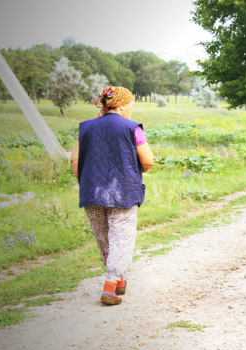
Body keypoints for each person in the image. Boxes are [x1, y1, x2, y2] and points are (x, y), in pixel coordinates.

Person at [70, 86, 154, 305]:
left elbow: (74, 160)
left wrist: (87, 182)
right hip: (123, 191)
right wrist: (134, 172)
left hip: (91, 192)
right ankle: (110, 286)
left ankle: (119, 280)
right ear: (123, 105)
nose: (132, 111)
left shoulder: (86, 128)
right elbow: (147, 161)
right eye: (131, 106)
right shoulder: (131, 128)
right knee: (122, 238)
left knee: (105, 239)